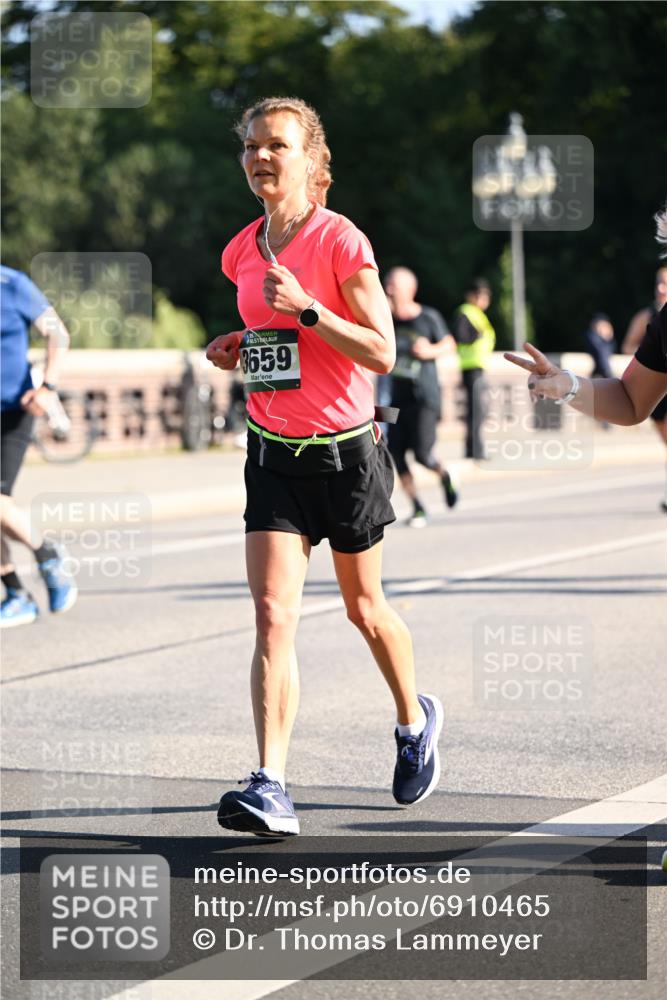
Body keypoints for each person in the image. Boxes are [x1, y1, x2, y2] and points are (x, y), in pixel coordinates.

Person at [205, 97, 443, 836]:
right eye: (250, 146)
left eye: (276, 145)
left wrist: (310, 309)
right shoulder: (240, 250)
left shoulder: (341, 242)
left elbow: (381, 351)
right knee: (273, 618)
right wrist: (239, 345)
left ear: (311, 158)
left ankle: (413, 719)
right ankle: (270, 782)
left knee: (363, 610)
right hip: (272, 453)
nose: (259, 157)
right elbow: (270, 337)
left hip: (347, 456)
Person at [1, 265, 77, 627]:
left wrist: (48, 387)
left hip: (13, 411)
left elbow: (57, 334)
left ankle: (47, 554)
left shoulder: (12, 284)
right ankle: (17, 594)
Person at [384, 267, 458, 527]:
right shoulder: (385, 319)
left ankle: (445, 474)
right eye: (387, 284)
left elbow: (450, 343)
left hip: (425, 397)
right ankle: (417, 507)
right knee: (393, 452)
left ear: (410, 290)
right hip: (394, 398)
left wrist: (429, 350)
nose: (389, 289)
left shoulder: (428, 317)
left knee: (423, 455)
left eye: (394, 285)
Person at [621, 266, 667, 510]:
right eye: (658, 282)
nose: (661, 288)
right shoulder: (649, 317)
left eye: (665, 283)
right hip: (656, 387)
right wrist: (652, 354)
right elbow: (628, 345)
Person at [452, 278, 496, 461]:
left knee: (479, 410)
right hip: (471, 367)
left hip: (477, 366)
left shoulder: (477, 313)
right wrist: (476, 335)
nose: (484, 300)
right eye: (481, 295)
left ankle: (473, 448)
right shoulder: (466, 312)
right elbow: (461, 336)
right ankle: (475, 449)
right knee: (477, 410)